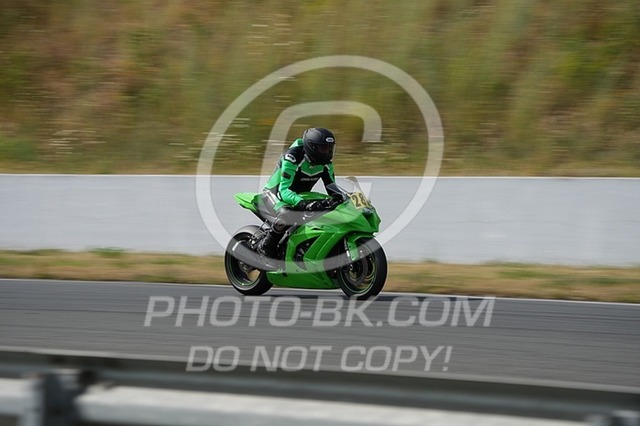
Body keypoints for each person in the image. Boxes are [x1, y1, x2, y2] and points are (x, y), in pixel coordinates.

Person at [256, 127, 341, 261]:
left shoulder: (326, 163)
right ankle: (265, 247)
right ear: (312, 147)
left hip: (301, 196)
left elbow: (332, 187)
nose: (328, 152)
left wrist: (344, 198)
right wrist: (302, 203)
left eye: (330, 148)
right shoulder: (293, 157)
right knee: (287, 214)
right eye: (324, 148)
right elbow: (284, 191)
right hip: (275, 194)